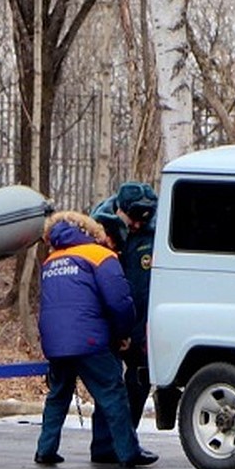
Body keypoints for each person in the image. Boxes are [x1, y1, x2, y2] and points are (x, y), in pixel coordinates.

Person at [33, 210, 158, 468]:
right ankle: (128, 451)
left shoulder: (51, 261)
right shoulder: (100, 256)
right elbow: (119, 302)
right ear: (91, 232)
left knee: (58, 395)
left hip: (56, 343)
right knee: (113, 395)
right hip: (91, 341)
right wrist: (123, 333)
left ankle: (45, 449)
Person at [91, 182, 157, 433]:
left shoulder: (152, 234)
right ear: (120, 209)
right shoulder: (99, 231)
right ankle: (105, 444)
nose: (138, 225)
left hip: (139, 322)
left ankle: (127, 438)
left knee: (140, 379)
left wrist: (136, 332)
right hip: (108, 321)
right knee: (109, 385)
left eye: (144, 219)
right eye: (133, 218)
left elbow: (146, 290)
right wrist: (114, 331)